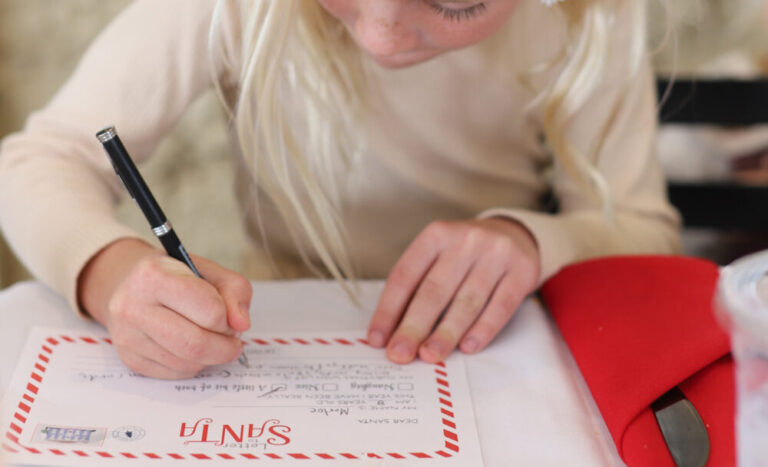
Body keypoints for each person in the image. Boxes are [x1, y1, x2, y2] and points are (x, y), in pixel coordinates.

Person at [0, 0, 679, 379]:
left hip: (492, 355)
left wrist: (531, 240)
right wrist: (108, 270)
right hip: (272, 340)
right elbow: (35, 160)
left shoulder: (594, 12)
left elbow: (646, 231)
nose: (381, 37)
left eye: (456, 3)